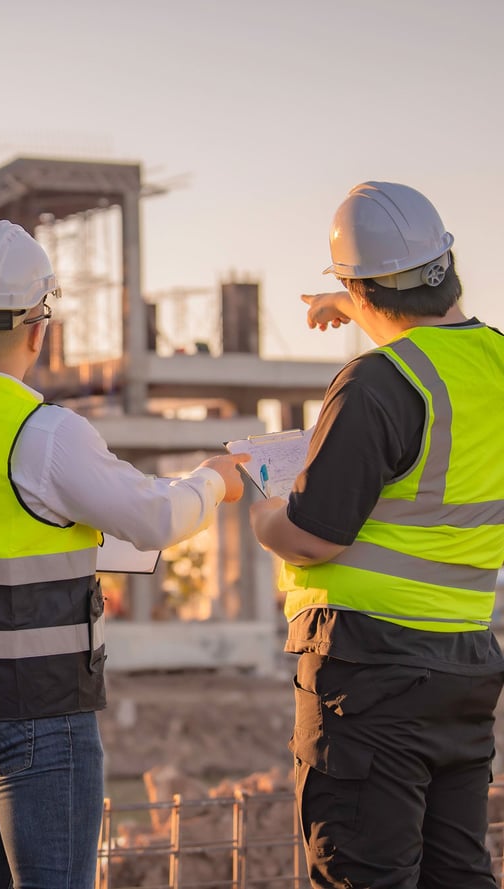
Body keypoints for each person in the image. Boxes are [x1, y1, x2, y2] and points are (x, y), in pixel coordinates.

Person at [0, 220, 247, 889]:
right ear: (39, 328)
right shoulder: (47, 435)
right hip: (39, 710)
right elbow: (154, 517)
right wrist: (216, 478)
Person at [247, 181, 504, 889]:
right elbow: (436, 342)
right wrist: (354, 302)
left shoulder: (376, 385)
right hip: (467, 666)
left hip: (369, 673)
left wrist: (264, 509)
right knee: (457, 873)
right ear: (448, 266)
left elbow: (312, 534)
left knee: (365, 873)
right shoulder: (495, 365)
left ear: (359, 290)